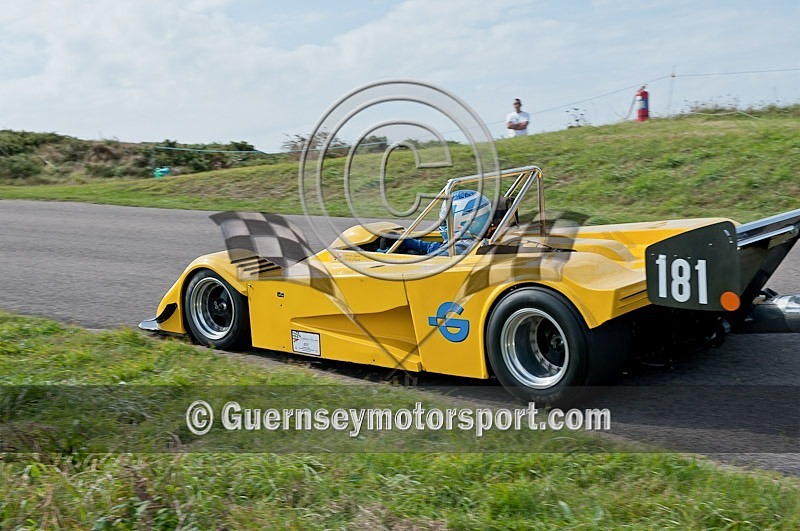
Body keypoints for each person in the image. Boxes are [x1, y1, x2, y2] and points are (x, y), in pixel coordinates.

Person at [381, 190, 493, 255]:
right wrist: (409, 242)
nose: (443, 225)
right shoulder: (471, 242)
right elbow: (438, 247)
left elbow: (424, 263)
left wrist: (384, 255)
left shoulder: (457, 249)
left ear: (462, 222)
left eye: (446, 221)